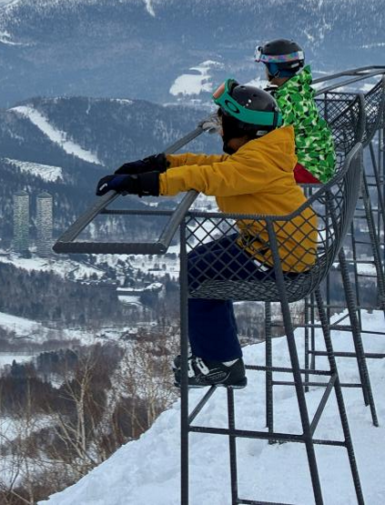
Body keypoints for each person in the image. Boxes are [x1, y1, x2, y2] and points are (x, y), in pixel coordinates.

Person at [96, 79, 317, 388]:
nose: (219, 128)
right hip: (273, 243)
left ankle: (221, 363)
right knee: (198, 259)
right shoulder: (263, 152)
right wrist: (162, 163)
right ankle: (218, 354)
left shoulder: (256, 163)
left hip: (278, 259)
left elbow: (207, 176)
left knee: (197, 273)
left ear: (242, 127)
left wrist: (143, 183)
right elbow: (212, 164)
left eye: (223, 121)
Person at [255, 39, 336, 184]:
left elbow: (270, 132)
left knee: (253, 171)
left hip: (308, 168)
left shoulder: (285, 98)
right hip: (319, 164)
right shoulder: (297, 89)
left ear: (274, 70)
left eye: (267, 67)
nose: (265, 71)